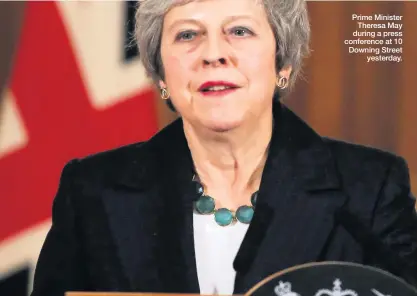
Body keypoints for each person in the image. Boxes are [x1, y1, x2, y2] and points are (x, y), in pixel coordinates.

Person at [31, 0, 417, 295]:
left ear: (281, 62)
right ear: (161, 72)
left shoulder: (370, 188)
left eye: (240, 31)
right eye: (187, 35)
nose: (213, 53)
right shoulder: (92, 192)